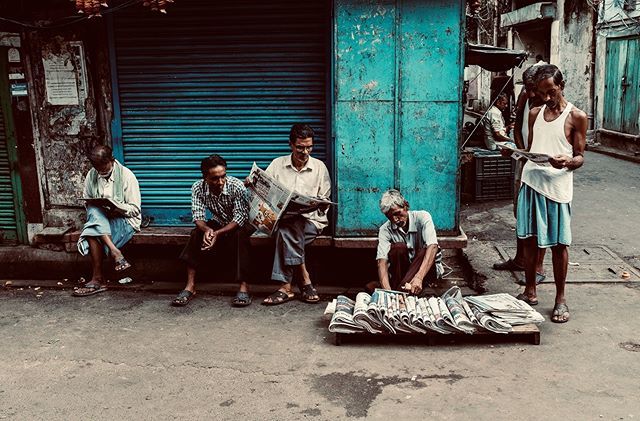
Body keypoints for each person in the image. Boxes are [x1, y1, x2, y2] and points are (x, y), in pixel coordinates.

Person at [515, 64, 587, 323]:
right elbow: (534, 149)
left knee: (559, 245)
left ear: (562, 85)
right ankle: (530, 290)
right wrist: (515, 153)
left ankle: (560, 299)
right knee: (530, 240)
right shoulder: (535, 113)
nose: (546, 98)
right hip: (532, 182)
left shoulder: (576, 116)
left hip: (556, 189)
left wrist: (567, 162)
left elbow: (580, 157)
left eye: (551, 92)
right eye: (541, 93)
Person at [260, 124, 331, 305]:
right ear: (290, 145)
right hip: (281, 221)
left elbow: (325, 200)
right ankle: (305, 279)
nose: (305, 152)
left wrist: (319, 204)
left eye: (309, 147)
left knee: (287, 229)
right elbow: (265, 193)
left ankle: (285, 287)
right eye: (300, 147)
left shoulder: (319, 167)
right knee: (287, 225)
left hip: (311, 222)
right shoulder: (277, 164)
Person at [172, 154, 254, 307]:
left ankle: (244, 286)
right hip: (219, 222)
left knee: (240, 235)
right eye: (215, 178)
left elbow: (239, 218)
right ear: (205, 178)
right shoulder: (197, 187)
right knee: (196, 233)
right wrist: (208, 230)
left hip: (240, 225)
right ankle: (190, 286)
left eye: (223, 176)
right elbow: (197, 216)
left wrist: (216, 233)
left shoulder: (236, 186)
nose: (221, 182)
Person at [494, 65, 547, 284]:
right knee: (521, 213)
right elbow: (517, 125)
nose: (531, 93)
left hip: (543, 167)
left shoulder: (550, 101)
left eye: (535, 89)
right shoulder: (526, 95)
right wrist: (517, 147)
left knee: (540, 218)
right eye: (527, 88)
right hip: (524, 160)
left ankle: (538, 267)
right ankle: (519, 259)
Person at [73, 145, 141, 297]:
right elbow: (88, 201)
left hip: (125, 220)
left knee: (92, 230)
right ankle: (115, 252)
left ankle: (97, 278)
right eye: (97, 167)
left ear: (112, 160)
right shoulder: (92, 175)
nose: (100, 170)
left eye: (104, 165)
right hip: (102, 220)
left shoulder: (127, 176)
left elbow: (135, 209)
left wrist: (116, 209)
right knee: (94, 213)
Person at [370, 189, 443, 296]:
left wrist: (418, 278)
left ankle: (400, 291)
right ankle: (402, 291)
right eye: (390, 217)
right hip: (402, 273)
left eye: (397, 214)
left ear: (405, 206)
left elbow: (433, 246)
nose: (395, 220)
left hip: (424, 272)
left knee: (425, 250)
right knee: (398, 248)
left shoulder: (423, 217)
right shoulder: (385, 229)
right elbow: (382, 261)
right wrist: (387, 291)